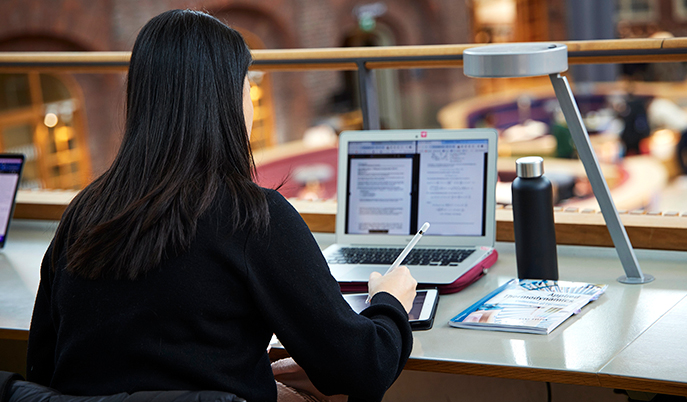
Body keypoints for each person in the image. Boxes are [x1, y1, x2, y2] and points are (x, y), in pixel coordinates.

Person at [25, 9, 417, 402]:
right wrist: (390, 302)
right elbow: (363, 367)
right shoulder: (253, 218)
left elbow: (42, 371)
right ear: (228, 98)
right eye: (249, 84)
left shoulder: (82, 213)